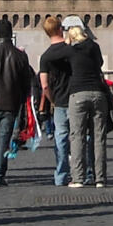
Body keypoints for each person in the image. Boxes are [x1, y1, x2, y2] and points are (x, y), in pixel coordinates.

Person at [58, 25, 109, 188]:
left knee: (77, 136)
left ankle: (78, 178)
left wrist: (67, 44)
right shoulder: (95, 47)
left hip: (78, 93)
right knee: (99, 137)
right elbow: (100, 63)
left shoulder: (70, 50)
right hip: (98, 93)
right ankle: (100, 179)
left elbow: (58, 61)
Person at [0, 18, 31, 187]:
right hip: (11, 103)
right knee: (4, 139)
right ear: (11, 33)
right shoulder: (20, 55)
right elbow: (26, 82)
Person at [39, 15, 72, 185]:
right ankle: (85, 173)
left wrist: (52, 100)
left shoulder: (45, 57)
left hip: (59, 101)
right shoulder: (72, 51)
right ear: (60, 29)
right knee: (82, 136)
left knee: (61, 137)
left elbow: (44, 85)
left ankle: (61, 175)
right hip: (75, 98)